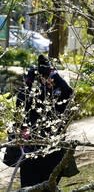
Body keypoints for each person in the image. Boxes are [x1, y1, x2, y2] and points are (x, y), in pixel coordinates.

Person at [17, 55, 74, 191]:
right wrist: (29, 82)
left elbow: (68, 94)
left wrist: (54, 76)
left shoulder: (57, 93)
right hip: (32, 147)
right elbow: (20, 104)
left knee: (48, 183)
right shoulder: (32, 94)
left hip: (53, 145)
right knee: (30, 185)